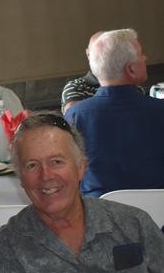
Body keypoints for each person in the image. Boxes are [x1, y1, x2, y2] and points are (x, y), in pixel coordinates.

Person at [0, 113, 164, 273]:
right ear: (20, 179)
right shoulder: (11, 243)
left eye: (57, 162)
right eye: (32, 165)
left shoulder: (133, 224)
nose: (46, 176)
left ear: (81, 167)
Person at [65, 28, 164, 197]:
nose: (145, 58)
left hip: (99, 215)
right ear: (131, 69)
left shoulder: (76, 115)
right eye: (141, 54)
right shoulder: (159, 111)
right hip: (157, 215)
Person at [61, 31, 103, 114]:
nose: (103, 58)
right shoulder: (76, 87)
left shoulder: (132, 86)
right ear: (88, 54)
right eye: (99, 52)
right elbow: (74, 118)